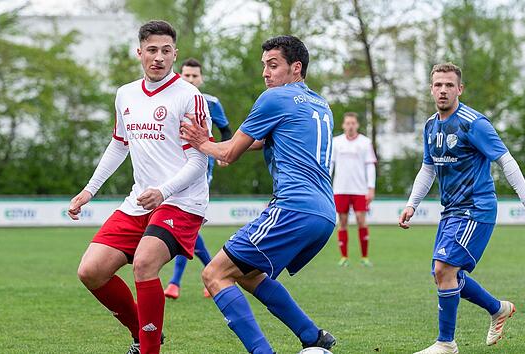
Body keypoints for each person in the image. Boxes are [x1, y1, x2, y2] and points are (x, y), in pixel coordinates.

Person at [181, 35, 336, 354]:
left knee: (214, 273)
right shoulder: (320, 104)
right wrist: (217, 144)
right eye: (264, 65)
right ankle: (313, 337)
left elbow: (228, 154)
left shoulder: (274, 99)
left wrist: (201, 142)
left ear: (296, 68)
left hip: (294, 207)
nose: (266, 73)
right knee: (249, 274)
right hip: (324, 214)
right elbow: (261, 141)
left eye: (273, 65)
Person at [67, 20, 212, 354]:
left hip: (182, 200)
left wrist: (163, 191)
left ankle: (149, 350)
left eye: (165, 51)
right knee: (91, 271)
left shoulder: (189, 96)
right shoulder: (125, 94)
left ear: (175, 53)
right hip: (140, 200)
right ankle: (144, 334)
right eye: (151, 50)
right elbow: (119, 145)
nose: (158, 57)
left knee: (145, 263)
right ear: (139, 53)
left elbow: (198, 161)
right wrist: (89, 190)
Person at [399, 63, 525, 354]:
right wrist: (411, 204)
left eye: (448, 85)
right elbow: (427, 168)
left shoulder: (474, 123)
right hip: (452, 211)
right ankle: (498, 309)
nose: (443, 90)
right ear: (431, 88)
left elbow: (506, 161)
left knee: (444, 269)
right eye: (437, 85)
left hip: (476, 208)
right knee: (444, 273)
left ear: (460, 89)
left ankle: (446, 344)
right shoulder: (431, 125)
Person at [163, 58, 232, 300]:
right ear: (180, 76)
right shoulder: (168, 101)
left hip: (201, 168)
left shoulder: (210, 102)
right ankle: (213, 270)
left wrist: (224, 152)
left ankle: (175, 282)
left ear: (201, 78)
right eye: (187, 76)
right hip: (172, 167)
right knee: (185, 224)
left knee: (184, 220)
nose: (191, 80)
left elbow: (225, 129)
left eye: (195, 76)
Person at [330, 112, 376, 267]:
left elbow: (370, 166)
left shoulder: (365, 142)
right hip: (340, 189)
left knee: (361, 221)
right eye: (347, 123)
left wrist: (371, 188)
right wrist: (325, 184)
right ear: (343, 125)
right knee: (342, 222)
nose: (350, 126)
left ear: (357, 125)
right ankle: (344, 257)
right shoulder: (336, 142)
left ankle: (364, 257)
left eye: (353, 123)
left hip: (359, 190)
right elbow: (330, 165)